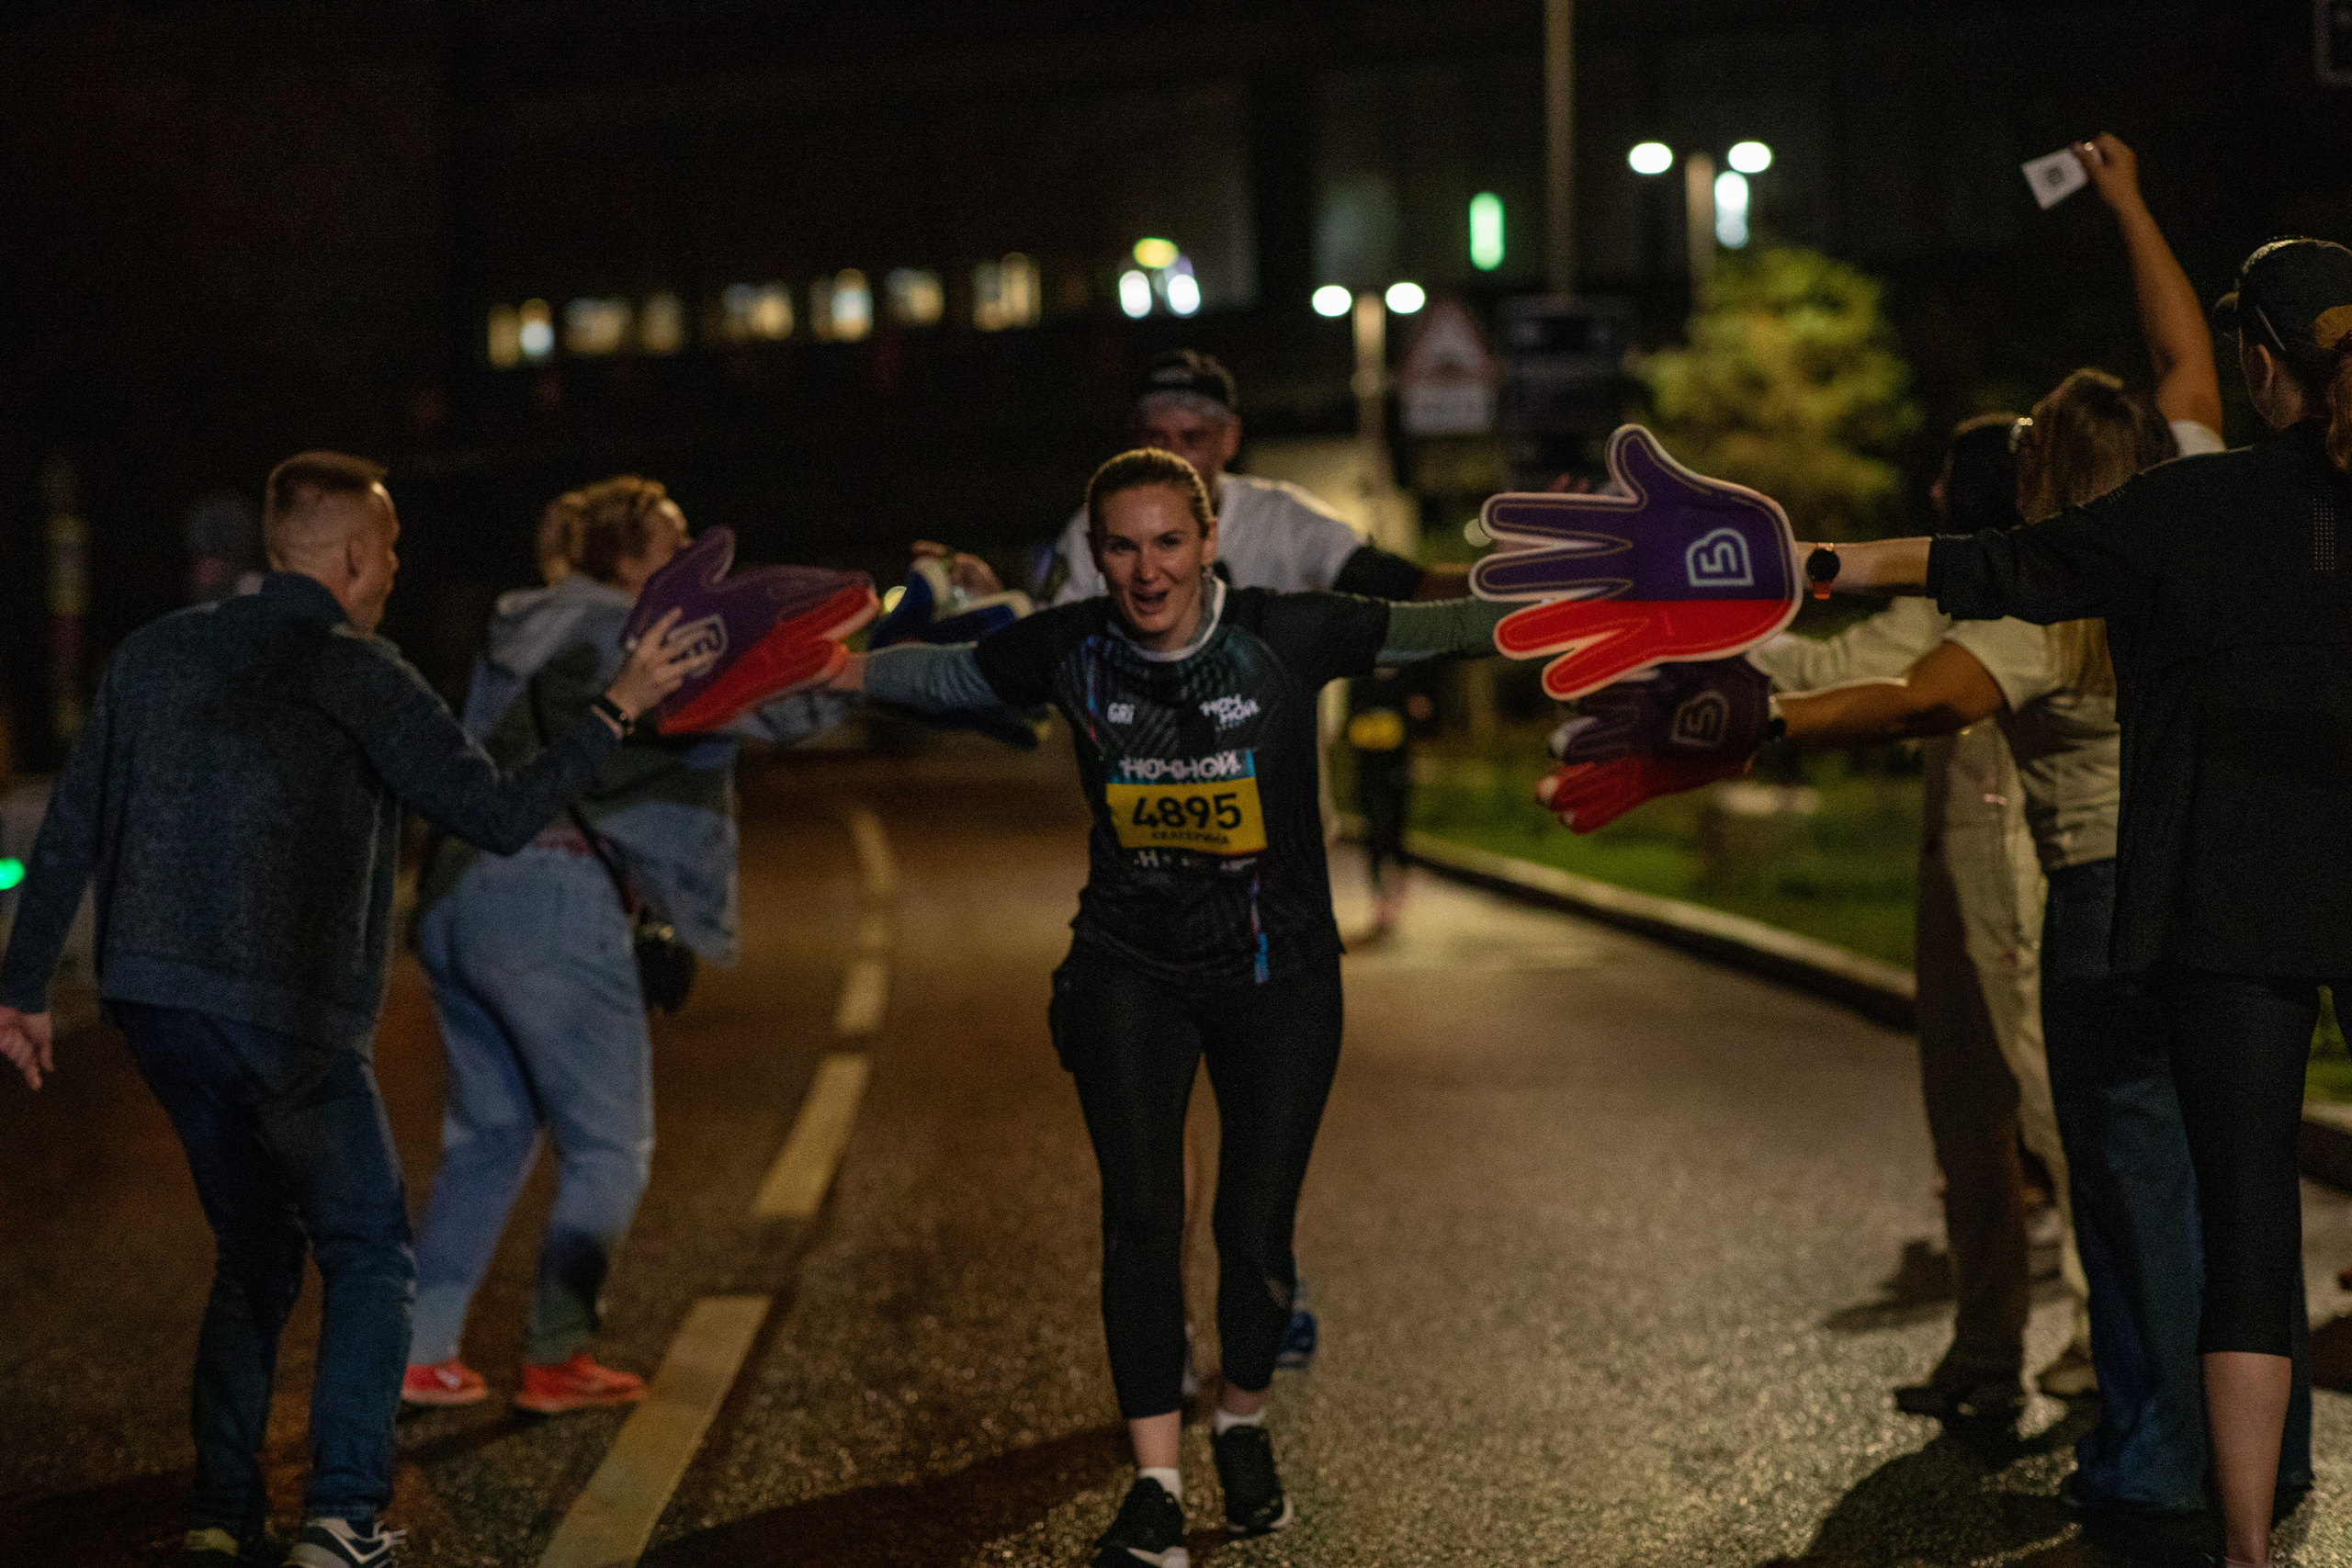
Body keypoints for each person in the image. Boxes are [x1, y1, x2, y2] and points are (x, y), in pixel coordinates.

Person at [0, 453, 695, 1568]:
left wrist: (23, 986)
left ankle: (222, 1515)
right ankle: (340, 1519)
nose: (397, 569)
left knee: (254, 1252)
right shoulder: (358, 670)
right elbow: (495, 813)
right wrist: (617, 708)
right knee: (368, 1250)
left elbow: (76, 820)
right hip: (288, 1013)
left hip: (157, 1002)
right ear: (357, 556)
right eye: (393, 548)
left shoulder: (155, 652)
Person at [832, 448, 1507, 1564]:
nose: (1147, 571)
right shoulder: (1072, 646)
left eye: (1168, 544)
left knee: (1253, 1236)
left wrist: (1627, 599)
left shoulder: (1285, 634)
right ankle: (1153, 1486)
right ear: (1096, 556)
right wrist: (814, 671)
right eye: (1122, 547)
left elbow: (1457, 628)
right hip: (1128, 969)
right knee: (1142, 1218)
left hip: (1277, 976)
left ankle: (1239, 1421)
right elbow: (943, 678)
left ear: (1207, 545)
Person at [1792, 231, 2352, 1568]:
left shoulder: (2202, 503)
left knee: (2245, 1229)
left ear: (2262, 365)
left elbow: (2004, 564)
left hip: (2228, 911)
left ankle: (2244, 1550)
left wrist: (1826, 562)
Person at [915, 350, 1464, 1375]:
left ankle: (1263, 1279)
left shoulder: (1286, 523)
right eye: (1154, 433)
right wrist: (989, 608)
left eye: (1194, 435)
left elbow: (1402, 593)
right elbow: (1042, 646)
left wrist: (1519, 584)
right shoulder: (1101, 529)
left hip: (1273, 870)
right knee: (1158, 1113)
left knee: (1263, 1123)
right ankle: (1163, 1300)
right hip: (1149, 875)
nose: (1175, 450)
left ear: (1229, 443)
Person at [401, 477, 854, 1416]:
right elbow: (770, 710)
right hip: (551, 895)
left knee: (489, 1136)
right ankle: (556, 1354)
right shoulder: (628, 633)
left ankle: (420, 1349)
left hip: (455, 894)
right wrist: (871, 661)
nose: (695, 563)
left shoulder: (524, 625)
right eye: (673, 543)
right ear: (628, 558)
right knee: (611, 1144)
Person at [1747, 414, 2098, 1420]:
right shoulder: (1960, 595)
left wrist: (1731, 662)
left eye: (1951, 479)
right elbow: (1840, 667)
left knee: (2045, 1108)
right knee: (1966, 1112)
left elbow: (1853, 682)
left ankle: (2099, 1334)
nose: (1936, 495)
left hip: (2006, 865)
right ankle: (1987, 1346)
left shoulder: (2005, 597)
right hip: (1960, 866)